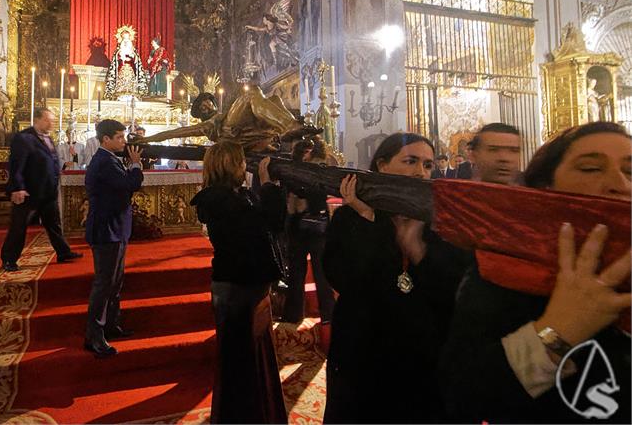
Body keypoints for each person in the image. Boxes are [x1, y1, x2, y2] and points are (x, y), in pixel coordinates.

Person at [440, 121, 631, 423]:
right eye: (591, 169)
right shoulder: (506, 267)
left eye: (631, 171)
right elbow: (465, 395)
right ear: (547, 188)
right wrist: (558, 331)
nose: (620, 183)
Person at [323, 132, 471, 423]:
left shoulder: (442, 223)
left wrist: (417, 250)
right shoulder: (350, 219)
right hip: (366, 355)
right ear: (382, 165)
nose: (420, 172)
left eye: (428, 165)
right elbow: (345, 278)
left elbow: (452, 289)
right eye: (411, 161)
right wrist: (370, 220)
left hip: (422, 360)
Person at [190, 141, 288, 424]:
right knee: (241, 363)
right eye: (242, 161)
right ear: (231, 164)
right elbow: (269, 222)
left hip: (245, 286)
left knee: (251, 359)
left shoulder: (233, 196)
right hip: (237, 289)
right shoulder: (220, 200)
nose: (246, 166)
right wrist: (268, 184)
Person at [84, 119, 144, 358]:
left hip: (115, 228)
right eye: (119, 137)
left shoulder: (110, 160)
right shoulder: (104, 162)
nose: (124, 141)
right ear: (106, 140)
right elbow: (129, 185)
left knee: (115, 282)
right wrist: (136, 165)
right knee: (104, 284)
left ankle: (110, 325)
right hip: (106, 230)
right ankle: (94, 336)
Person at [0, 108, 83, 272]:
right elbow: (17, 164)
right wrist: (18, 188)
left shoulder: (48, 138)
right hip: (29, 191)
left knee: (54, 224)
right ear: (37, 120)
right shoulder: (24, 138)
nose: (51, 123)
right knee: (18, 227)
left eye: (52, 120)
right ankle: (9, 259)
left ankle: (63, 252)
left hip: (47, 191)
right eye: (48, 120)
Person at [137, 86, 317, 152]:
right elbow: (174, 133)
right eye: (201, 108)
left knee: (275, 99)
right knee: (251, 93)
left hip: (250, 132)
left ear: (212, 102)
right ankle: (290, 126)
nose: (204, 106)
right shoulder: (208, 125)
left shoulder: (225, 112)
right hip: (231, 135)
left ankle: (280, 132)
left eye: (205, 102)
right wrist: (146, 139)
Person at [283, 139, 335, 331]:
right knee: (296, 271)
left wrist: (304, 197)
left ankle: (328, 313)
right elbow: (289, 189)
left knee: (321, 272)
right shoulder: (292, 166)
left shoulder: (322, 164)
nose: (306, 152)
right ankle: (293, 313)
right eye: (303, 148)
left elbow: (323, 191)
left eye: (309, 148)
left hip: (316, 225)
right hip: (297, 225)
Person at [104, 26, 148, 99]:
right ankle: (119, 94)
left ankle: (132, 93)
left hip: (131, 70)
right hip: (121, 70)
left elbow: (137, 62)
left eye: (127, 39)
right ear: (121, 39)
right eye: (124, 39)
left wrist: (132, 56)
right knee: (121, 84)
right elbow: (115, 62)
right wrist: (120, 56)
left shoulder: (133, 51)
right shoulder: (118, 51)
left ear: (130, 39)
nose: (126, 41)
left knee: (131, 85)